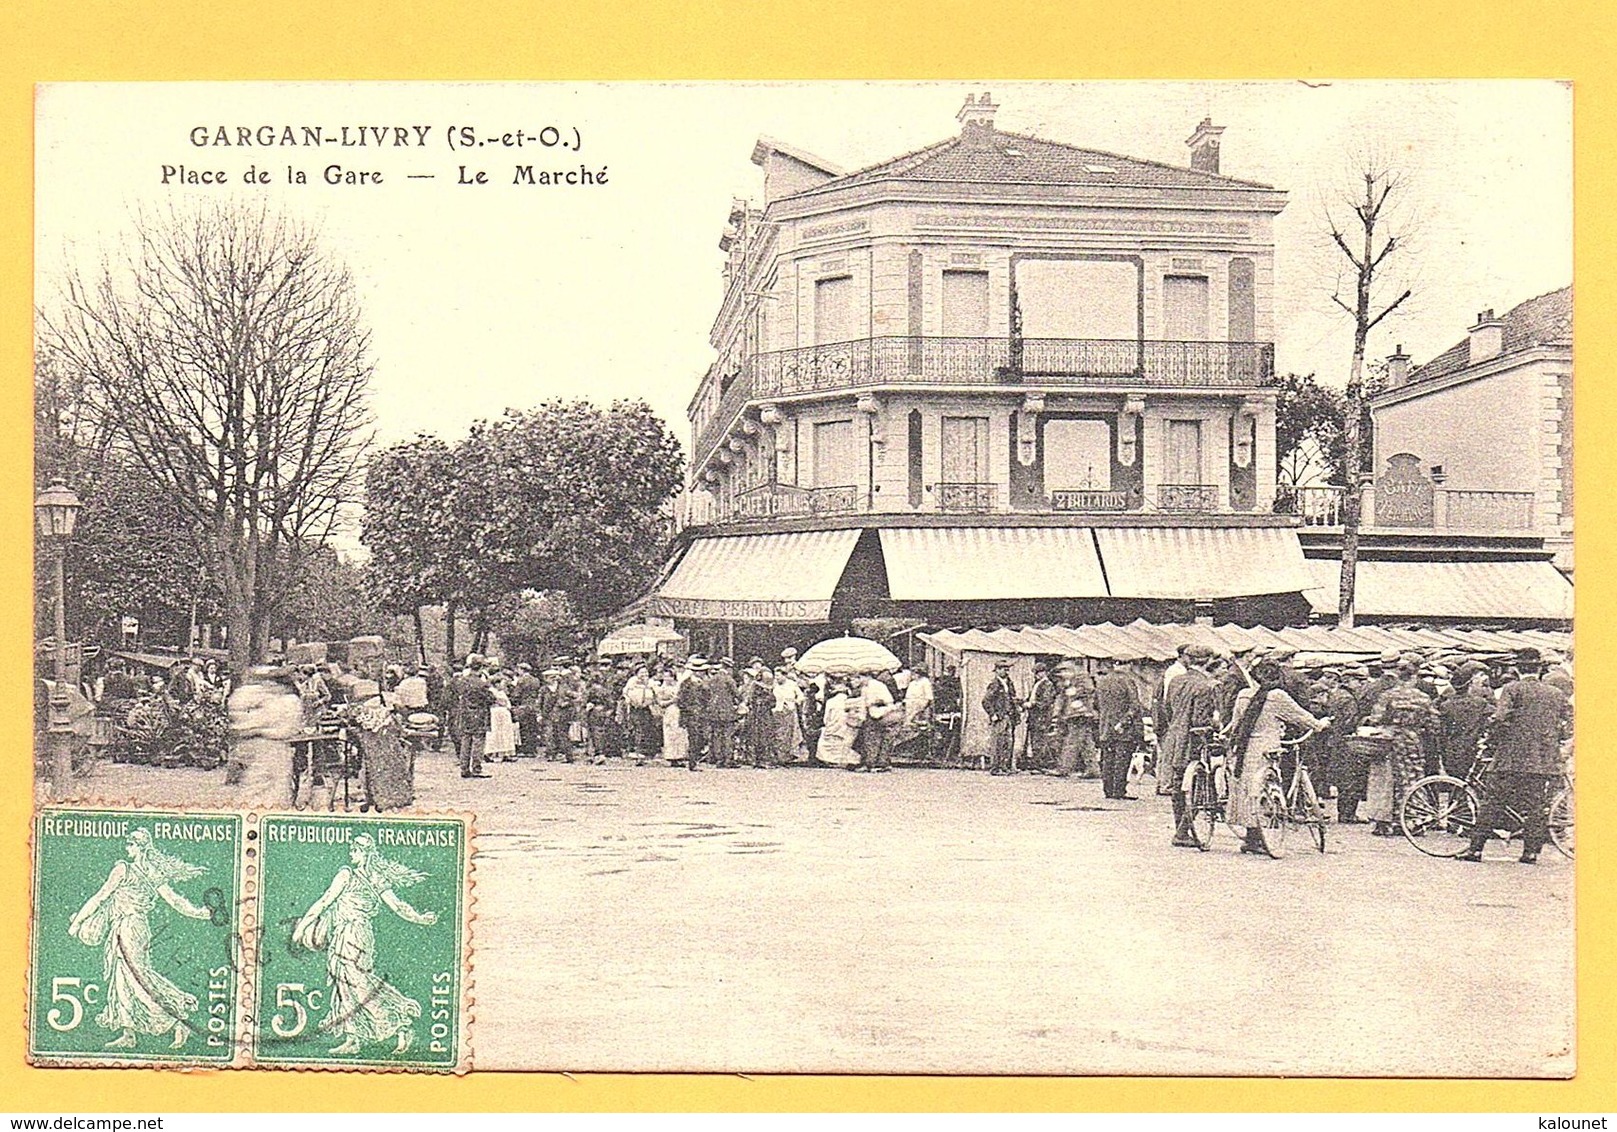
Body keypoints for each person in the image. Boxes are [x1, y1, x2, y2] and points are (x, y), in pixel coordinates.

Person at [292, 833, 437, 1056]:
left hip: (352, 934)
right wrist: (419, 917)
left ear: (363, 852)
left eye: (354, 849)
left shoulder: (347, 875)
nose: (351, 853)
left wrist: (302, 927)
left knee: (358, 984)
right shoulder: (376, 878)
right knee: (345, 985)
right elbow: (398, 907)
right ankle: (353, 1038)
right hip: (353, 934)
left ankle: (400, 1023)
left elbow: (325, 900)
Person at [67, 829, 212, 1050]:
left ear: (140, 847)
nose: (127, 849)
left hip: (128, 928)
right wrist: (200, 912)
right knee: (125, 977)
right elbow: (176, 902)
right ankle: (129, 1033)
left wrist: (78, 921)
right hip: (135, 927)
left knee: (136, 978)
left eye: (130, 845)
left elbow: (101, 896)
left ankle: (177, 1020)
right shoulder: (153, 873)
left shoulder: (122, 869)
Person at [1459, 648, 1572, 864]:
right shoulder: (1555, 693)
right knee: (1536, 807)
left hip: (1510, 759)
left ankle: (1475, 850)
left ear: (1517, 668)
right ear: (1540, 669)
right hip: (1542, 761)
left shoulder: (1512, 689)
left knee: (1492, 802)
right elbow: (1569, 723)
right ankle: (1530, 853)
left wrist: (1491, 741)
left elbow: (1500, 719)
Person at [1227, 660, 1330, 854]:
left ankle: (1252, 835)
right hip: (1267, 747)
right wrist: (1320, 724)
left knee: (1247, 788)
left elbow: (1236, 723)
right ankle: (1263, 833)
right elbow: (1302, 717)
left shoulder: (1243, 695)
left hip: (1245, 748)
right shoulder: (1277, 696)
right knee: (1268, 787)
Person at [1362, 655, 1439, 836]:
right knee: (1413, 778)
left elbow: (1376, 719)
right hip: (1413, 742)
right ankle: (1413, 820)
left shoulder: (1388, 696)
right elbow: (1434, 724)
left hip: (1390, 742)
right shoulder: (1423, 698)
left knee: (1388, 781)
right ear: (1414, 676)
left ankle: (1387, 821)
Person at [1160, 646, 1221, 844]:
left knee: (1178, 785)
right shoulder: (1206, 686)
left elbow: (1167, 709)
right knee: (1196, 785)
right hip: (1192, 740)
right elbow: (1200, 720)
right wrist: (1216, 726)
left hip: (1174, 736)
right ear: (1208, 661)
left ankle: (1182, 830)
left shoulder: (1176, 680)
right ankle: (1182, 831)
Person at [226, 666, 304, 805]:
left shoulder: (286, 700)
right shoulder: (263, 696)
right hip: (265, 745)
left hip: (272, 745)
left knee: (268, 784)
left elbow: (288, 728)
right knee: (262, 784)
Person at [343, 685, 413, 811]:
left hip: (375, 748)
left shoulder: (364, 712)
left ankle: (379, 799)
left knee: (374, 771)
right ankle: (392, 799)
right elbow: (400, 727)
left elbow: (355, 725)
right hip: (388, 747)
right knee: (389, 770)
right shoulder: (384, 711)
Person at [1094, 659, 1144, 799]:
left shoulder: (1102, 681)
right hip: (1124, 729)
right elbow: (1134, 706)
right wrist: (1123, 723)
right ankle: (1119, 791)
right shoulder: (1128, 681)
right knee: (1122, 760)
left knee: (1107, 759)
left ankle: (1108, 790)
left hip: (1105, 727)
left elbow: (1096, 704)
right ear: (1128, 665)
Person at [1439, 662, 1494, 778]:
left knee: (1457, 783)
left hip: (1452, 751)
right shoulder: (1480, 703)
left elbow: (1443, 732)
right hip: (1473, 750)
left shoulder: (1446, 705)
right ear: (1470, 684)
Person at [450, 655, 495, 779]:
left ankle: (464, 768)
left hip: (464, 714)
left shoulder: (462, 681)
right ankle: (476, 768)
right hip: (479, 714)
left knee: (465, 741)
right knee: (478, 742)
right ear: (480, 668)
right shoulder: (482, 684)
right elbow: (490, 698)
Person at [1051, 662, 1097, 778]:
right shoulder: (1068, 683)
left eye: (1063, 672)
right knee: (1086, 743)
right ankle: (1093, 769)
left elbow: (1089, 690)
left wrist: (1074, 691)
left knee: (1072, 742)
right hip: (1075, 715)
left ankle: (1064, 769)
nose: (1062, 675)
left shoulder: (1081, 678)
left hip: (1080, 714)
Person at [853, 671, 898, 772]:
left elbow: (888, 700)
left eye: (860, 678)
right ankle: (869, 762)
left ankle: (877, 763)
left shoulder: (878, 685)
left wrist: (874, 702)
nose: (858, 681)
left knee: (875, 739)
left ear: (866, 676)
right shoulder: (864, 688)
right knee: (868, 739)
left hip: (879, 714)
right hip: (870, 714)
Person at [983, 659, 1021, 775]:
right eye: (1004, 669)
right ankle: (995, 768)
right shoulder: (994, 684)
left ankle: (1006, 767)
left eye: (1007, 669)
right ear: (997, 670)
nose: (1007, 671)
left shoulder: (1009, 683)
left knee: (1008, 742)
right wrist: (993, 714)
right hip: (1000, 717)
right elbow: (985, 701)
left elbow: (1012, 698)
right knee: (998, 742)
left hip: (1010, 716)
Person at [1023, 661, 1059, 773]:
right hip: (1034, 717)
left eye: (1038, 672)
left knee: (1040, 741)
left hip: (1041, 717)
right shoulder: (1037, 684)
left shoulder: (1047, 685)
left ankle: (1041, 764)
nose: (1036, 675)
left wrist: (1032, 704)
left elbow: (1045, 702)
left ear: (1044, 673)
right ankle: (1037, 763)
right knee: (1035, 740)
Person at [741, 658, 776, 768]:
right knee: (757, 737)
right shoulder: (754, 687)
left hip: (762, 716)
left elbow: (773, 702)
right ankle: (757, 760)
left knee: (764, 737)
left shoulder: (764, 688)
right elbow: (749, 700)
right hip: (757, 715)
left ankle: (761, 760)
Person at [706, 658, 740, 768]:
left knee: (717, 735)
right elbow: (737, 694)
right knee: (728, 735)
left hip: (714, 711)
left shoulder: (712, 679)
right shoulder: (728, 679)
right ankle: (728, 760)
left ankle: (719, 759)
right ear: (728, 668)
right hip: (727, 711)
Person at [622, 664, 659, 762]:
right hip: (635, 708)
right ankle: (637, 751)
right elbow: (625, 692)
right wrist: (629, 700)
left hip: (647, 708)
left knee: (647, 728)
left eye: (646, 672)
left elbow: (657, 693)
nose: (644, 674)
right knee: (637, 728)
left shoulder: (651, 682)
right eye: (641, 672)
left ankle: (647, 751)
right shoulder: (632, 681)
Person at [677, 657, 709, 770]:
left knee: (702, 738)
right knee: (693, 738)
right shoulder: (686, 684)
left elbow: (707, 699)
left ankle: (696, 759)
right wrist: (688, 710)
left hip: (702, 715)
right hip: (691, 715)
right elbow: (680, 700)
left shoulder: (705, 684)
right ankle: (693, 762)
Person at [771, 666, 806, 765]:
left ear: (784, 675)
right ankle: (778, 756)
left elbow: (801, 696)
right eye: (775, 676)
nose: (776, 678)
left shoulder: (792, 685)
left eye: (778, 676)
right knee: (778, 733)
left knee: (789, 734)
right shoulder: (774, 685)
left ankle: (787, 756)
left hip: (789, 711)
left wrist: (795, 701)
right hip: (777, 711)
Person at [510, 662, 543, 757]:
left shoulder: (521, 680)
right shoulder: (536, 680)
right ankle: (532, 749)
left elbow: (516, 694)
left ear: (522, 670)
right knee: (532, 727)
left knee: (524, 727)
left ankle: (526, 750)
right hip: (533, 705)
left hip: (523, 705)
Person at [483, 674, 517, 763]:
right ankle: (490, 753)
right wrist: (501, 702)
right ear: (496, 684)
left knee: (505, 733)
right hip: (495, 713)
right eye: (502, 684)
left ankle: (505, 753)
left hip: (504, 714)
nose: (503, 686)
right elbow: (494, 702)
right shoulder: (491, 691)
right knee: (495, 733)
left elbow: (506, 703)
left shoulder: (501, 692)